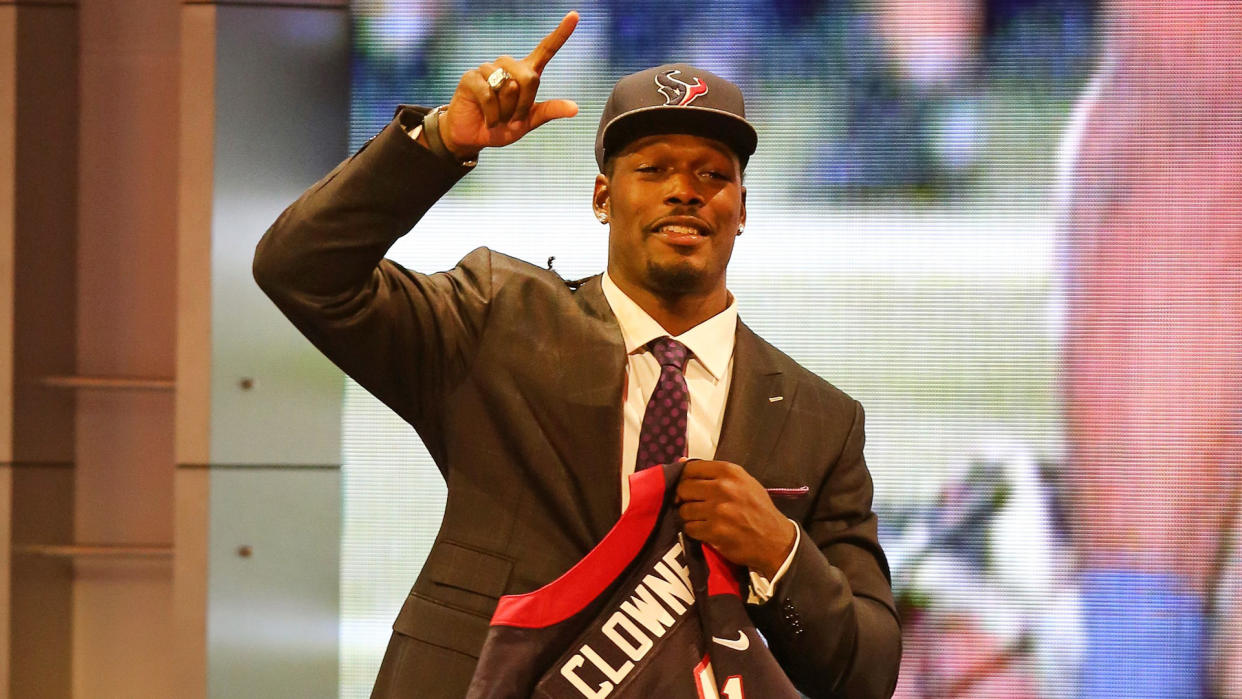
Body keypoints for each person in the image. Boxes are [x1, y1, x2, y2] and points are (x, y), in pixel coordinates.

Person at [253, 12, 900, 698]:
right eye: (653, 169)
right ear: (601, 197)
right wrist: (442, 140)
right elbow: (300, 269)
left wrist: (780, 552)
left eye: (713, 173)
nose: (685, 188)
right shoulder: (495, 318)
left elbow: (865, 675)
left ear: (742, 208)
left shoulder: (820, 419)